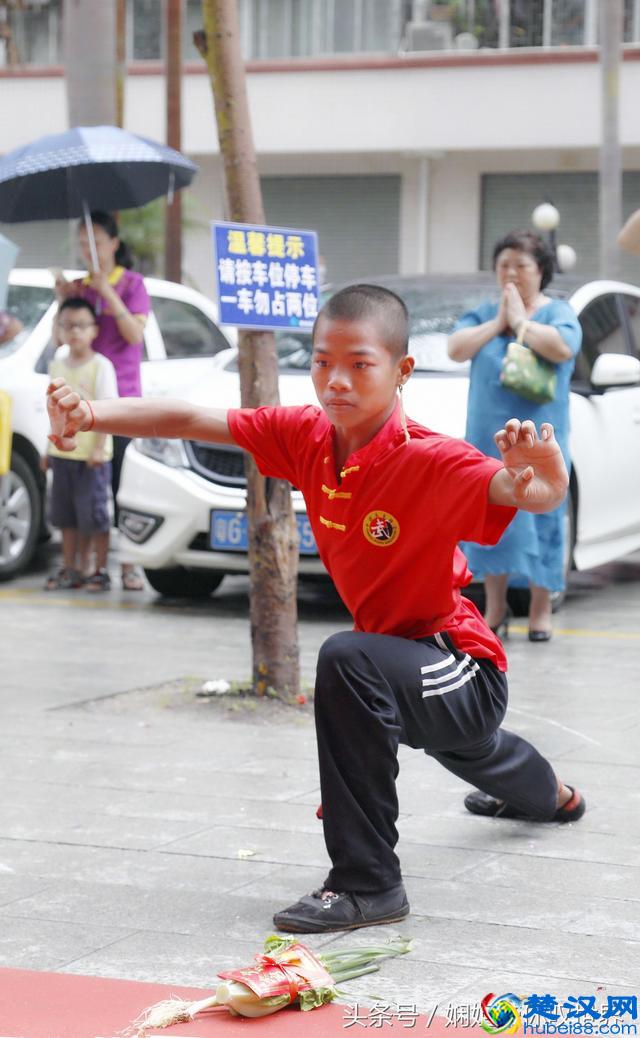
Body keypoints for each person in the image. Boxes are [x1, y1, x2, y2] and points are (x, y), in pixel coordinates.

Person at [46, 283, 585, 935]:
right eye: (324, 363)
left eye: (360, 364)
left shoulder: (428, 457)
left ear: (400, 371)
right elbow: (190, 420)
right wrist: (90, 414)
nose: (336, 381)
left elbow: (511, 487)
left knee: (349, 663)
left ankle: (368, 885)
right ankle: (555, 798)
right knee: (474, 749)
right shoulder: (306, 436)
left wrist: (544, 483)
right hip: (401, 670)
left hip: (458, 665)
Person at [448, 231, 582, 642]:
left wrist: (522, 323)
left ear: (540, 271)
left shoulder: (557, 312)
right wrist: (500, 323)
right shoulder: (484, 314)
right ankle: (496, 607)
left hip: (541, 440)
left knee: (543, 518)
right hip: (490, 438)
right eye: (504, 264)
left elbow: (563, 348)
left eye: (522, 265)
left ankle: (541, 609)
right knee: (493, 516)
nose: (511, 273)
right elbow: (456, 348)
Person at [56, 210, 151, 591]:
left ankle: (128, 565)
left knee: (123, 489)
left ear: (114, 243)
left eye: (95, 240)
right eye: (81, 241)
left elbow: (133, 336)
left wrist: (105, 289)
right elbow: (59, 343)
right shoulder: (78, 288)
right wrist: (64, 299)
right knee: (84, 492)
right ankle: (81, 567)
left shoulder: (132, 283)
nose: (87, 248)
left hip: (124, 401)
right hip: (85, 406)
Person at [43, 297, 118, 591]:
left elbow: (107, 409)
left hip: (91, 456)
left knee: (95, 514)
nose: (74, 332)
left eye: (81, 325)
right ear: (60, 329)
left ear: (94, 330)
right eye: (67, 325)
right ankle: (70, 567)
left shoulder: (102, 366)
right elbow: (51, 410)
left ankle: (99, 569)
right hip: (62, 454)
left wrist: (99, 448)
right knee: (66, 515)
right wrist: (46, 448)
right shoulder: (56, 364)